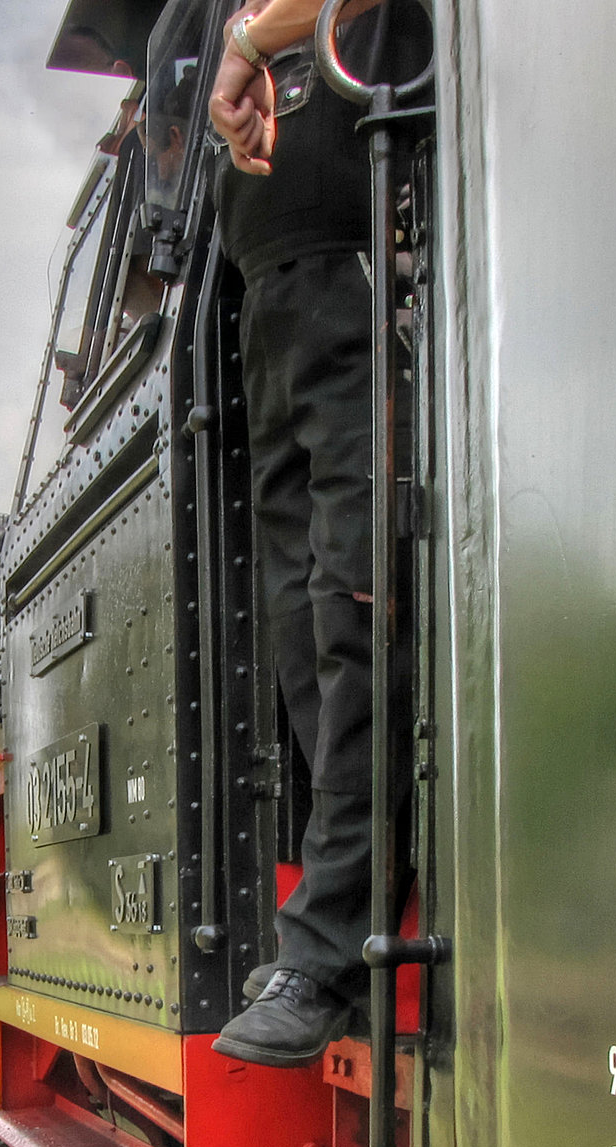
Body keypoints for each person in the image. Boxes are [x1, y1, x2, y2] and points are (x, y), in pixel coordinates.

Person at [203, 0, 427, 1068]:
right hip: (275, 294)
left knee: (353, 606)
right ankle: (335, 912)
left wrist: (250, 48)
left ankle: (332, 943)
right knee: (299, 622)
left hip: (361, 267)